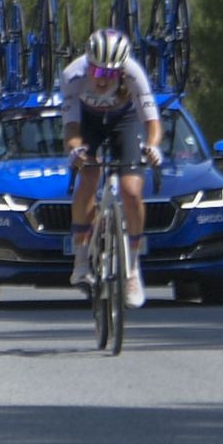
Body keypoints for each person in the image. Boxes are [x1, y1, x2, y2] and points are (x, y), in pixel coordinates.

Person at [63, 28, 163, 308]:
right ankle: (81, 256)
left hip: (124, 120)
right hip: (88, 122)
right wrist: (75, 149)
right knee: (89, 177)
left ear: (121, 71)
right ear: (88, 65)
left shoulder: (134, 74)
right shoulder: (73, 75)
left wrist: (153, 147)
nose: (103, 81)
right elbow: (70, 126)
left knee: (132, 192)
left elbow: (151, 121)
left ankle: (132, 269)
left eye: (110, 74)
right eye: (97, 73)